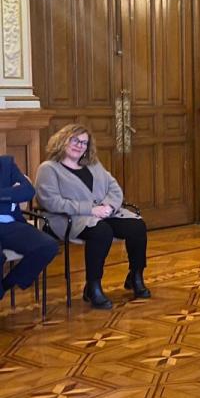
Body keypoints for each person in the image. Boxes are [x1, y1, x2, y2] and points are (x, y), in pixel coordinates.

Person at [35, 124, 151, 309]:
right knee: (101, 232)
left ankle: (135, 275)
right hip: (69, 218)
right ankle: (93, 286)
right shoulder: (48, 168)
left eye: (84, 143)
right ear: (63, 140)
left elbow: (114, 189)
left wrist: (109, 206)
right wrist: (90, 209)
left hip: (103, 213)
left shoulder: (94, 165)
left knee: (137, 226)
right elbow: (50, 202)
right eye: (75, 140)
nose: (79, 146)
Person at [0, 156, 59, 299]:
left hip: (10, 224)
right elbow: (18, 193)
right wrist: (11, 192)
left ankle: (7, 284)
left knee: (48, 246)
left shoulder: (6, 164)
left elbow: (27, 191)